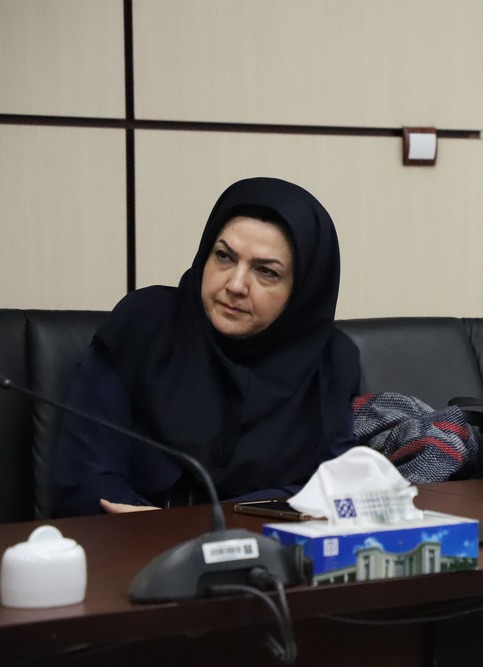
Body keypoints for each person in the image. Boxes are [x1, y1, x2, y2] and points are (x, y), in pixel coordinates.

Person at [54, 177, 360, 516]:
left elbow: (333, 494)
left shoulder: (329, 364)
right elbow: (85, 480)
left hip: (267, 548)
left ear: (302, 290)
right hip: (128, 544)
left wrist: (193, 527)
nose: (236, 285)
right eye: (224, 256)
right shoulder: (142, 326)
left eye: (266, 272)